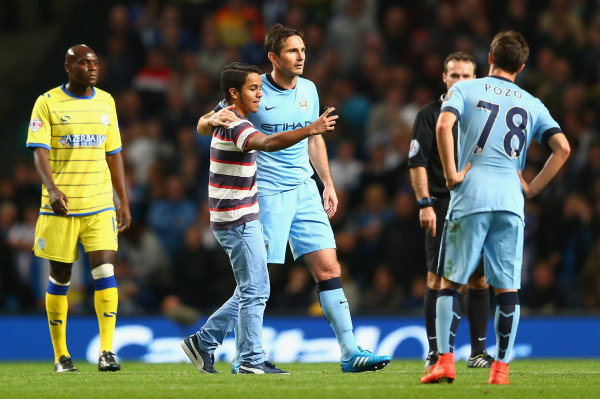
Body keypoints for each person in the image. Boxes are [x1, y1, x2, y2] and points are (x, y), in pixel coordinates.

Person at [197, 24, 391, 373]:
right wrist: (207, 120)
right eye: (292, 51)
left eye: (303, 50)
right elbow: (209, 122)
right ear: (273, 57)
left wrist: (327, 183)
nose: (301, 56)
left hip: (305, 189)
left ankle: (350, 351)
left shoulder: (309, 89)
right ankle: (223, 347)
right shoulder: (253, 89)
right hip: (267, 192)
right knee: (257, 280)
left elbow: (314, 140)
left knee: (329, 268)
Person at [420, 31, 570, 385]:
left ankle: (445, 361)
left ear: (489, 58)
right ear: (521, 65)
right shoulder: (532, 103)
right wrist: (531, 187)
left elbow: (444, 124)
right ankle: (500, 369)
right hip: (510, 201)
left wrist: (453, 173)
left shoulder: (466, 89)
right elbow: (562, 148)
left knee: (449, 282)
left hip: (471, 195)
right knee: (506, 288)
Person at [181, 62, 337, 374]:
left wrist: (207, 118)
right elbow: (266, 143)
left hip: (238, 214)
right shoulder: (236, 124)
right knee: (255, 288)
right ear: (234, 93)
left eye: (260, 87)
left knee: (252, 287)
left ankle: (205, 341)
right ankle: (248, 359)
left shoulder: (225, 111)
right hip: (237, 217)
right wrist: (310, 129)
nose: (260, 94)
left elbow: (202, 123)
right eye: (253, 88)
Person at [26, 44, 131, 372]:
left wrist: (123, 200)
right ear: (68, 67)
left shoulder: (107, 101)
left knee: (105, 270)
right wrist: (52, 188)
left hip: (99, 205)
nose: (92, 68)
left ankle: (107, 351)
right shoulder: (47, 103)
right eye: (84, 63)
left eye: (95, 63)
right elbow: (39, 153)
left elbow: (113, 153)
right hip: (61, 207)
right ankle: (61, 355)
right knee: (61, 276)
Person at [408, 52, 493, 369]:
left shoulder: (486, 117)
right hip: (442, 204)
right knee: (436, 277)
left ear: (476, 80)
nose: (459, 81)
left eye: (466, 76)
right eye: (454, 75)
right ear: (444, 78)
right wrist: (424, 202)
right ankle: (435, 351)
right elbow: (416, 162)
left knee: (479, 279)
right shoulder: (430, 115)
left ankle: (478, 352)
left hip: (478, 205)